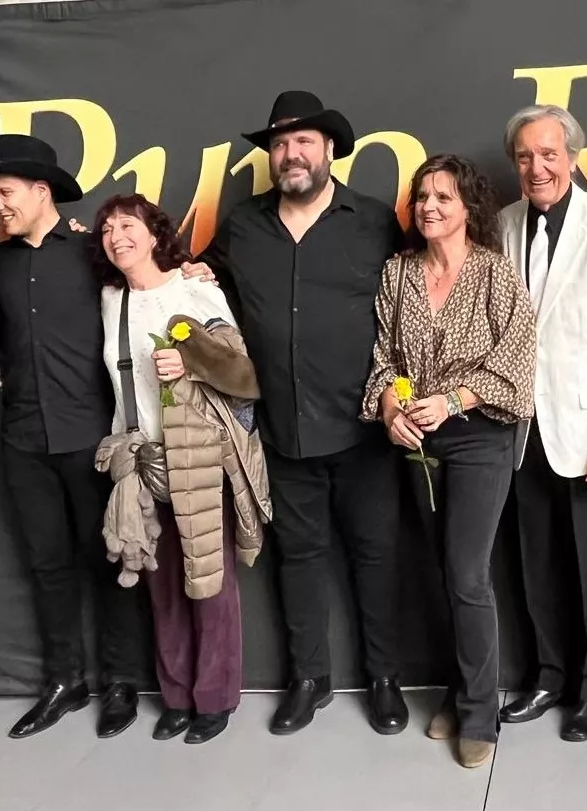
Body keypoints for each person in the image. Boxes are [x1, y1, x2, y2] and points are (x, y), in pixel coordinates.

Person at [188, 91, 409, 736]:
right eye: (280, 145)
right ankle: (309, 679)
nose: (291, 154)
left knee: (375, 556)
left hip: (366, 425)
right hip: (282, 428)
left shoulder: (372, 220)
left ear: (329, 149)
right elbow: (203, 286)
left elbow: (412, 308)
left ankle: (385, 678)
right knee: (300, 557)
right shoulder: (244, 224)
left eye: (303, 141)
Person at [0, 134, 149, 740]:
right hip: (23, 441)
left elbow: (152, 290)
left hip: (92, 437)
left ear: (42, 193)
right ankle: (65, 680)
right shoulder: (1, 261)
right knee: (47, 565)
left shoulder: (94, 254)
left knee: (112, 562)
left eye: (4, 194)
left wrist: (189, 270)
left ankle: (121, 681)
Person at [362, 155, 537, 768]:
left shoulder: (494, 273)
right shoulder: (398, 273)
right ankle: (460, 690)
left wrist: (453, 399)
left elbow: (516, 367)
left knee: (467, 572)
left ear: (468, 207)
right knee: (440, 571)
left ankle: (481, 713)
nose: (429, 207)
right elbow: (384, 358)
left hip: (479, 436)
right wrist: (392, 411)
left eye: (443, 196)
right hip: (417, 440)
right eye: (422, 197)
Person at [494, 104, 587, 743]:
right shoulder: (501, 223)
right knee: (538, 566)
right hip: (521, 430)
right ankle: (549, 677)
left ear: (574, 158)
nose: (537, 167)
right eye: (525, 156)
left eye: (549, 154)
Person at [93, 193, 267, 745]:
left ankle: (215, 698)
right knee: (160, 585)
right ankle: (176, 696)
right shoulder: (108, 299)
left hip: (199, 456)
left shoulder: (196, 289)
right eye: (106, 229)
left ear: (154, 233)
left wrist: (191, 360)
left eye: (129, 225)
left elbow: (242, 374)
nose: (117, 236)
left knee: (209, 582)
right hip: (141, 459)